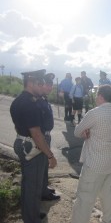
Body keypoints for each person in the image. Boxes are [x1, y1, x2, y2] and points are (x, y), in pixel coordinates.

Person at [10, 69, 57, 223]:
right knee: (33, 187)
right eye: (40, 83)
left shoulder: (19, 100)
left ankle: (30, 215)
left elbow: (19, 126)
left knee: (29, 184)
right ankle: (32, 219)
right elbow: (36, 133)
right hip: (32, 148)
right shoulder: (30, 104)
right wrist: (50, 155)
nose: (43, 86)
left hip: (24, 143)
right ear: (31, 83)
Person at [71, 85, 111, 223]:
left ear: (100, 96)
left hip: (95, 162)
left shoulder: (94, 113)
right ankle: (108, 219)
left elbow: (77, 131)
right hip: (110, 161)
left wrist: (85, 131)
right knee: (106, 193)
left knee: (84, 197)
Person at [37, 73, 61, 201]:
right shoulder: (37, 99)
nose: (50, 87)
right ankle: (43, 193)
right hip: (41, 136)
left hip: (46, 135)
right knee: (41, 165)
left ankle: (44, 187)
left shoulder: (43, 98)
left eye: (51, 85)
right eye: (48, 84)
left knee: (44, 164)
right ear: (41, 85)